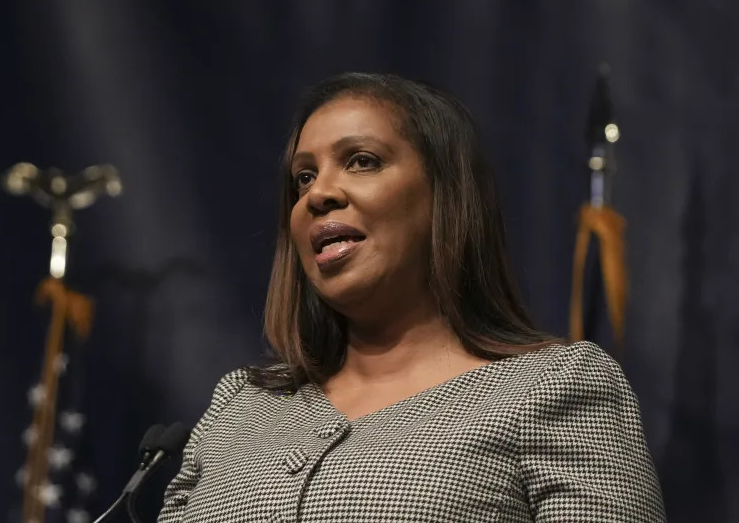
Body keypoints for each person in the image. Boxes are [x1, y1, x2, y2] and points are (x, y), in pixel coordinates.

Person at [157, 73, 665, 522]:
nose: (317, 194)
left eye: (361, 161)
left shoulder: (552, 387)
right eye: (303, 177)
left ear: (445, 196)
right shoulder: (241, 406)